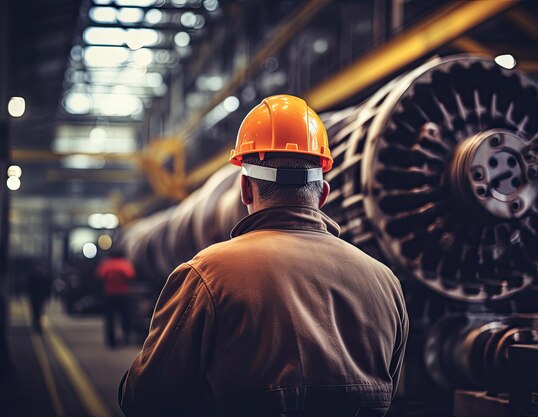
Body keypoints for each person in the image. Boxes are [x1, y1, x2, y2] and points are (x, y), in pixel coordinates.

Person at [119, 95, 408, 416]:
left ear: (245, 190)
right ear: (323, 193)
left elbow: (145, 400)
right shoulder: (386, 283)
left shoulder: (207, 275)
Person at [97, 248, 136, 347]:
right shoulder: (125, 263)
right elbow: (130, 275)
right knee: (125, 316)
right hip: (123, 293)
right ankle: (126, 338)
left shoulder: (106, 263)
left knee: (110, 318)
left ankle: (111, 340)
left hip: (109, 294)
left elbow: (100, 275)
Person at [26, 261, 52, 333]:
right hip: (35, 296)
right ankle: (36, 325)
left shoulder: (42, 276)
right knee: (35, 311)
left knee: (39, 311)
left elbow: (48, 287)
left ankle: (38, 326)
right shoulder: (34, 275)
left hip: (40, 297)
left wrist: (47, 296)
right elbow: (29, 286)